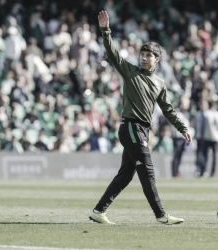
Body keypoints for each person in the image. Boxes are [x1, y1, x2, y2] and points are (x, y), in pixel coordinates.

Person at [89, 11, 192, 225]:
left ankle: (98, 211)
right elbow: (113, 53)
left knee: (126, 175)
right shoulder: (130, 72)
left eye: (148, 56)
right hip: (131, 128)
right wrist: (105, 30)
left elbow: (168, 110)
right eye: (142, 54)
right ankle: (161, 215)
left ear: (157, 59)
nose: (144, 58)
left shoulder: (160, 83)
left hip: (142, 130)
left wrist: (182, 128)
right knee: (147, 172)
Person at [194, 100, 218, 178]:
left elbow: (203, 127)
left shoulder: (206, 114)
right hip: (216, 137)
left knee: (205, 156)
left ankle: (204, 171)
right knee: (214, 156)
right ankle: (212, 173)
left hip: (207, 137)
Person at [170, 102, 191, 178]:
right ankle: (174, 172)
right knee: (176, 156)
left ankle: (177, 172)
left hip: (183, 138)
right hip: (177, 137)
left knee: (179, 156)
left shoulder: (186, 114)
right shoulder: (177, 113)